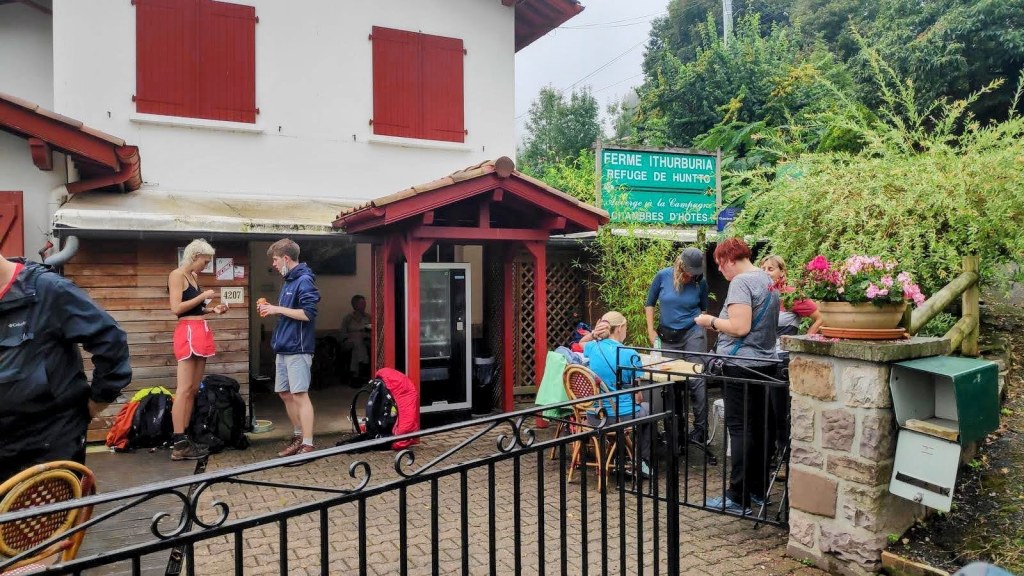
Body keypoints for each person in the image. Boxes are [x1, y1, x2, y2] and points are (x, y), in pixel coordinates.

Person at [0, 253, 131, 481]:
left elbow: (110, 339)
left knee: (48, 516)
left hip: (48, 443)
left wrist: (99, 399)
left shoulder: (47, 290)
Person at [695, 238, 780, 514]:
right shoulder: (769, 282)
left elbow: (740, 327)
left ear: (731, 259)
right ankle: (756, 490)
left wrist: (710, 321)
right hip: (765, 364)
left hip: (741, 366)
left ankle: (737, 496)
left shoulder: (741, 283)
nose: (720, 271)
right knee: (757, 429)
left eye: (721, 265)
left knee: (740, 430)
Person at [168, 239, 230, 461]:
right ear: (195, 256)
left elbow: (195, 308)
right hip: (187, 331)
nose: (206, 266)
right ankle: (178, 442)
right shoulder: (177, 275)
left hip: (200, 329)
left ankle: (186, 437)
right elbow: (176, 309)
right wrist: (203, 296)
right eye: (205, 261)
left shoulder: (194, 278)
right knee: (183, 389)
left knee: (193, 388)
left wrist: (213, 310)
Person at [258, 238, 320, 457]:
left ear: (286, 258)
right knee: (284, 393)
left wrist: (276, 309)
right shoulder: (288, 281)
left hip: (298, 348)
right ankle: (298, 436)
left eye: (275, 260)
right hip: (283, 347)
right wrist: (271, 308)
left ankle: (308, 444)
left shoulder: (304, 280)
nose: (273, 264)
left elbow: (308, 314)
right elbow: (284, 312)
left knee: (300, 394)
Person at [760, 254, 823, 468]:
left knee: (780, 412)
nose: (766, 272)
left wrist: (802, 340)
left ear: (782, 273)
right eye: (763, 269)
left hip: (781, 360)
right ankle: (766, 458)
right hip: (759, 359)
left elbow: (821, 317)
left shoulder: (791, 295)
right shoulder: (760, 294)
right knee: (764, 412)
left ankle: (784, 460)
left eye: (770, 269)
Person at [644, 247, 711, 446]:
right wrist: (650, 330)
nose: (691, 275)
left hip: (692, 333)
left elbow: (704, 309)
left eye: (694, 272)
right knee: (669, 383)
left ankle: (701, 430)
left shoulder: (701, 283)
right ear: (680, 265)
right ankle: (674, 430)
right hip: (667, 336)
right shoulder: (662, 276)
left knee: (696, 380)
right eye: (689, 271)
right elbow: (650, 303)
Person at [579, 311, 653, 478]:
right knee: (649, 410)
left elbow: (580, 344)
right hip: (619, 417)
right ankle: (642, 462)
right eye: (625, 327)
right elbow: (638, 396)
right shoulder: (630, 354)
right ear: (619, 328)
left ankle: (620, 457)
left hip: (595, 416)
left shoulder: (593, 347)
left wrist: (593, 334)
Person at [339, 294, 371, 386]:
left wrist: (365, 335)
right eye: (361, 304)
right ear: (355, 305)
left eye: (364, 304)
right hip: (350, 341)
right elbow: (342, 333)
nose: (364, 306)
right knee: (357, 341)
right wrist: (346, 339)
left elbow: (373, 331)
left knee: (359, 341)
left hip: (366, 340)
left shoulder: (368, 317)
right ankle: (362, 366)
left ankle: (355, 374)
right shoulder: (348, 318)